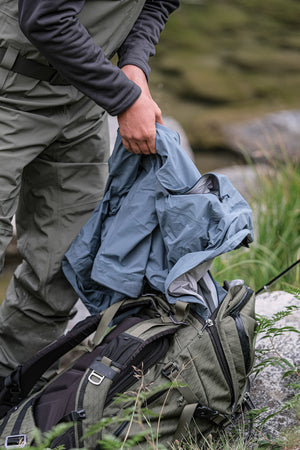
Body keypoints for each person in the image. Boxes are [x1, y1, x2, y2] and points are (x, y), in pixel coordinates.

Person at [0, 0, 180, 384]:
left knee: (60, 269)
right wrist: (125, 99)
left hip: (82, 101)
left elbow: (159, 2)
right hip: (9, 86)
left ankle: (13, 397)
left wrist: (134, 62)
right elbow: (45, 18)